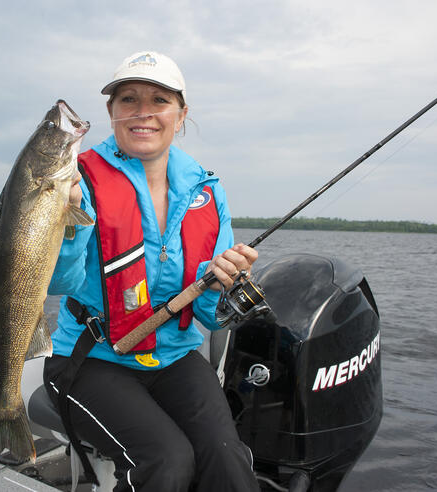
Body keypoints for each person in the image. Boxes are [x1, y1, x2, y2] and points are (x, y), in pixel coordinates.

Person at [44, 51, 260, 492]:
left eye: (159, 100)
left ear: (181, 114)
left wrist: (226, 282)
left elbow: (210, 316)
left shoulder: (206, 188)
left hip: (175, 357)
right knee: (166, 460)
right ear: (111, 113)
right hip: (91, 360)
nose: (143, 112)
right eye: (128, 99)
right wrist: (65, 224)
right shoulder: (77, 179)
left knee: (228, 460)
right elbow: (56, 283)